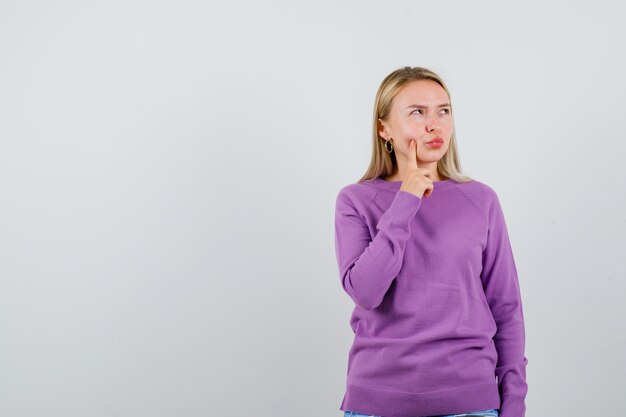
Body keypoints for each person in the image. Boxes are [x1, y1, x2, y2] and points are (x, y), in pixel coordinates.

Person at [334, 66, 528, 417]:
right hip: (377, 403)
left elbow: (507, 308)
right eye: (417, 112)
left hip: (470, 403)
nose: (434, 124)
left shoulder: (480, 200)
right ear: (384, 129)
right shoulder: (355, 200)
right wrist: (406, 198)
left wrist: (514, 404)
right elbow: (365, 292)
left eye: (443, 111)